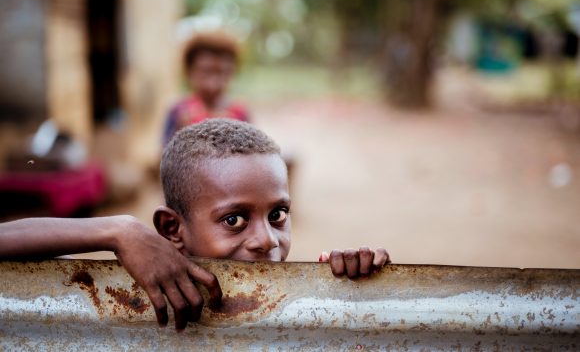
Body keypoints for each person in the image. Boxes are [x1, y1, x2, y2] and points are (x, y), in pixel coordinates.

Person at [0, 119, 390, 331]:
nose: (266, 240)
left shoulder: (297, 296)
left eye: (278, 215)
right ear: (172, 230)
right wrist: (118, 231)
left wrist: (347, 287)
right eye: (234, 220)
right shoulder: (148, 283)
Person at [162, 31, 250, 146]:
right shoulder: (179, 112)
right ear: (189, 72)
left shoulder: (240, 113)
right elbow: (165, 157)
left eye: (222, 73)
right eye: (206, 72)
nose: (213, 83)